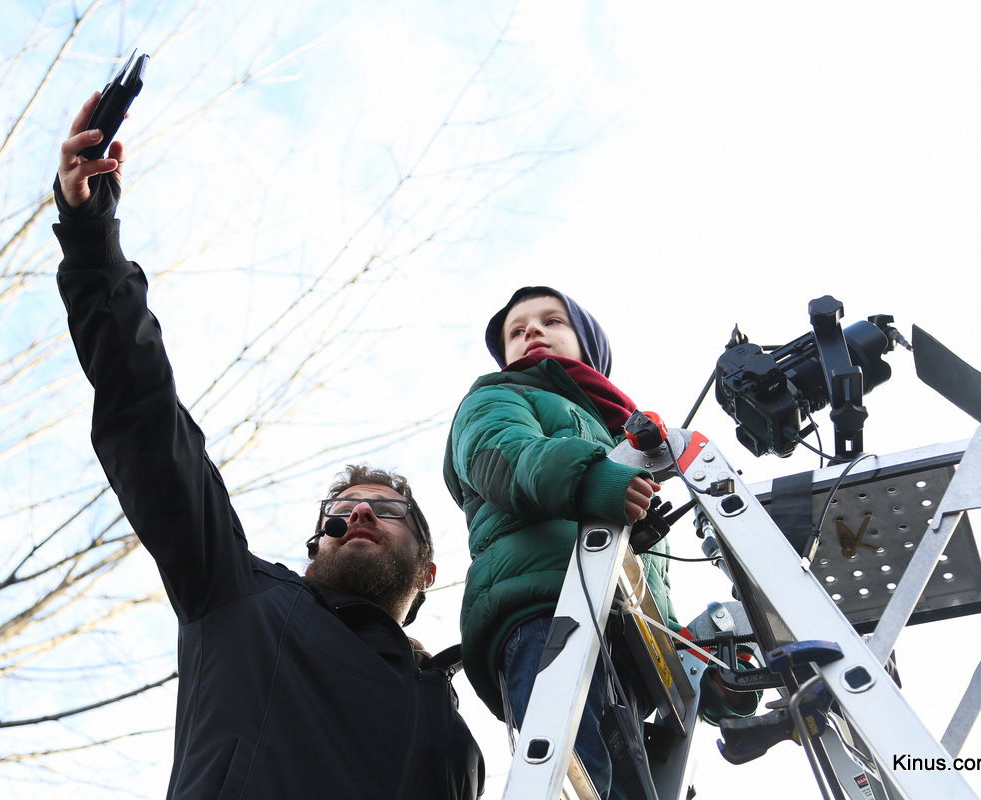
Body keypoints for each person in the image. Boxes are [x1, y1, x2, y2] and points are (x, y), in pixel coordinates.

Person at [53, 93, 483, 800]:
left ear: (429, 572)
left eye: (386, 508)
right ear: (314, 546)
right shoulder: (236, 592)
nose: (361, 514)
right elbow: (145, 414)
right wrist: (91, 236)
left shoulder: (452, 735)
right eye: (342, 509)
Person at [443, 286, 674, 799]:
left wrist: (689, 654)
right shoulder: (497, 397)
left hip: (630, 640)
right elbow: (503, 453)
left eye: (552, 321)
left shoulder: (626, 439)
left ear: (587, 343)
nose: (533, 333)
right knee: (573, 777)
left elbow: (651, 569)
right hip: (547, 613)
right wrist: (590, 477)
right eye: (517, 331)